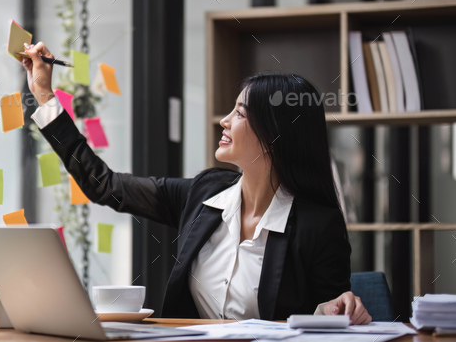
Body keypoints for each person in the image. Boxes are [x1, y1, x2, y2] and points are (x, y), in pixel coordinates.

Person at [21, 42, 372, 325]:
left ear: (273, 138)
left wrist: (338, 309)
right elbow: (104, 185)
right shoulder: (204, 194)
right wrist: (43, 94)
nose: (224, 120)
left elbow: (333, 315)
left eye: (239, 113)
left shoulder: (318, 226)